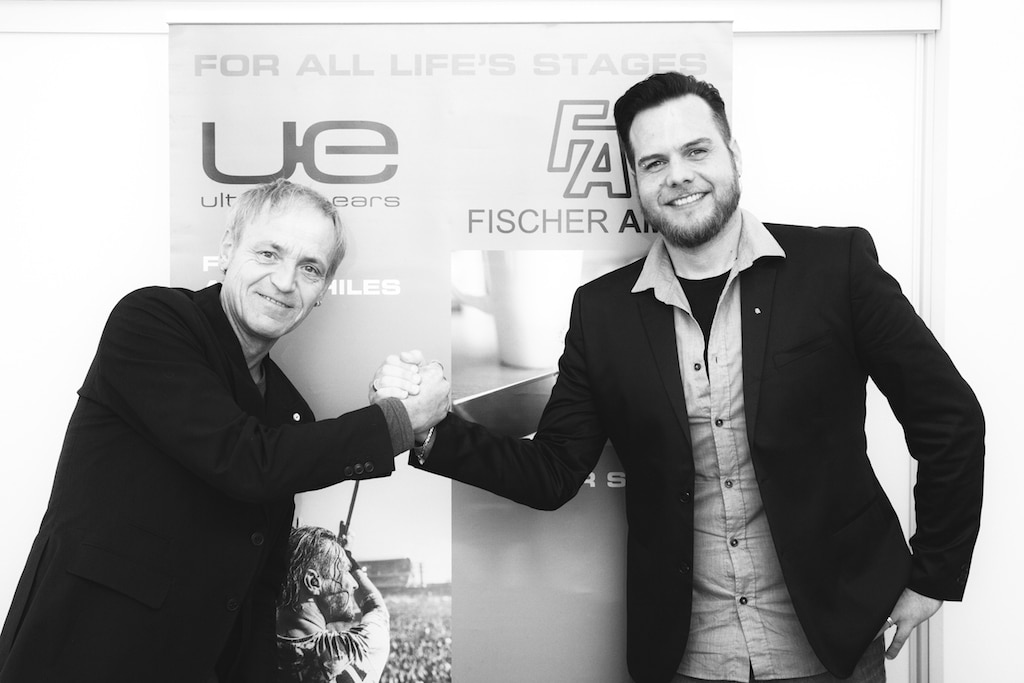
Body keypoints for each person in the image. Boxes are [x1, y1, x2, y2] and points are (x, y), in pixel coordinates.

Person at [374, 73, 985, 683]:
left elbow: (948, 417)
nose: (678, 175)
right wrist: (427, 429)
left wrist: (934, 576)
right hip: (688, 658)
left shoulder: (835, 268)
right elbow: (552, 471)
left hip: (835, 643)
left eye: (696, 150)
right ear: (636, 181)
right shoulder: (602, 312)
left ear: (733, 155)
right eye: (655, 162)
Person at [0, 179, 449, 683]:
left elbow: (257, 590)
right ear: (228, 250)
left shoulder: (287, 411)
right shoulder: (151, 320)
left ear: (322, 292)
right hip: (84, 656)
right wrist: (399, 421)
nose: (285, 281)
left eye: (310, 268)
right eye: (268, 253)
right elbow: (245, 461)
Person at [277, 526, 389, 683]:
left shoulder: (250, 651)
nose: (354, 584)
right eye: (345, 570)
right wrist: (348, 555)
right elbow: (377, 608)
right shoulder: (353, 651)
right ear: (313, 582)